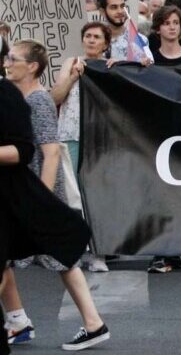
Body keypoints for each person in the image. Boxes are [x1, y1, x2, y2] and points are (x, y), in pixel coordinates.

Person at [2, 41, 110, 351]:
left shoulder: (37, 101)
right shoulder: (21, 97)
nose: (7, 63)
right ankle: (17, 319)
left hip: (38, 191)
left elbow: (50, 153)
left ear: (32, 66)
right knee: (7, 256)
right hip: (23, 191)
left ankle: (93, 323)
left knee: (61, 257)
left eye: (13, 58)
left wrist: (42, 200)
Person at [50, 22, 111, 273]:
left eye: (97, 37)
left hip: (99, 139)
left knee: (98, 193)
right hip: (71, 135)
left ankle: (99, 252)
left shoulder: (111, 66)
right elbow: (55, 97)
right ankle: (73, 250)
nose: (92, 40)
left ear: (106, 43)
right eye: (88, 36)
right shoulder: (70, 62)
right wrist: (74, 77)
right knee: (71, 193)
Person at [97, 0, 153, 65]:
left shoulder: (140, 41)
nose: (120, 11)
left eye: (122, 6)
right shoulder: (93, 40)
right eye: (114, 7)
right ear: (102, 12)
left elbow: (149, 69)